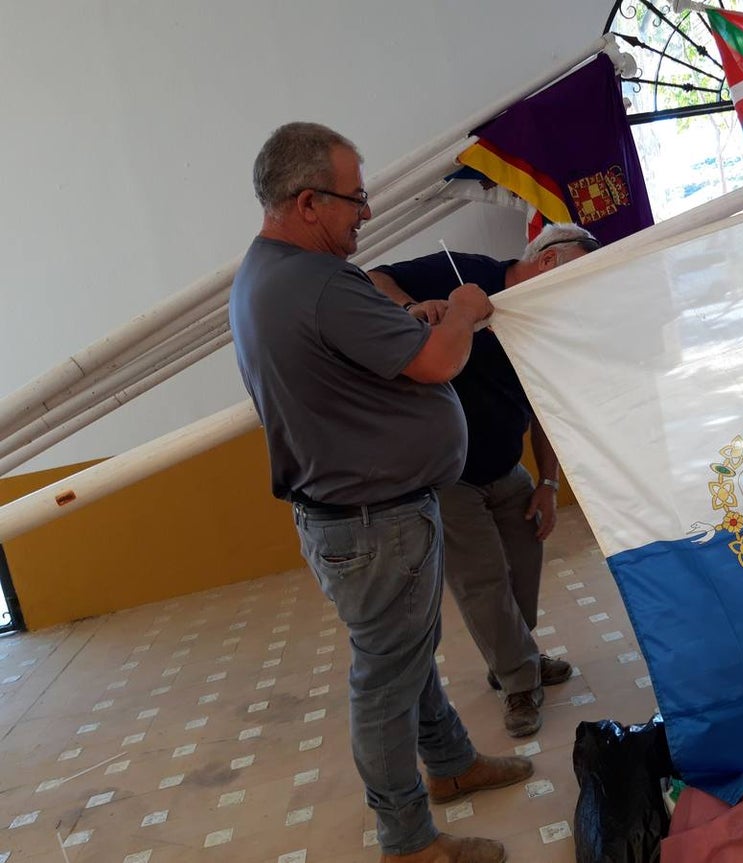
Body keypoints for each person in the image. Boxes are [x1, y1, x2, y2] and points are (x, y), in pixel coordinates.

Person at [229, 121, 530, 863]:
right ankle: (407, 841)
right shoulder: (320, 282)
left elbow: (357, 354)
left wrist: (402, 318)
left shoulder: (266, 274)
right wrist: (458, 309)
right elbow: (435, 365)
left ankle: (452, 764)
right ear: (306, 202)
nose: (366, 212)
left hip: (353, 518)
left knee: (404, 655)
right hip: (374, 523)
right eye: (355, 198)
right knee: (385, 680)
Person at [369, 223, 599, 738]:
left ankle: (516, 657)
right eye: (574, 278)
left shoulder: (540, 323)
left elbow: (542, 408)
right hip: (446, 475)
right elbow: (373, 276)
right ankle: (520, 684)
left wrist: (549, 484)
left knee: (523, 567)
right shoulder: (465, 271)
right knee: (483, 583)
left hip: (507, 470)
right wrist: (416, 308)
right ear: (549, 263)